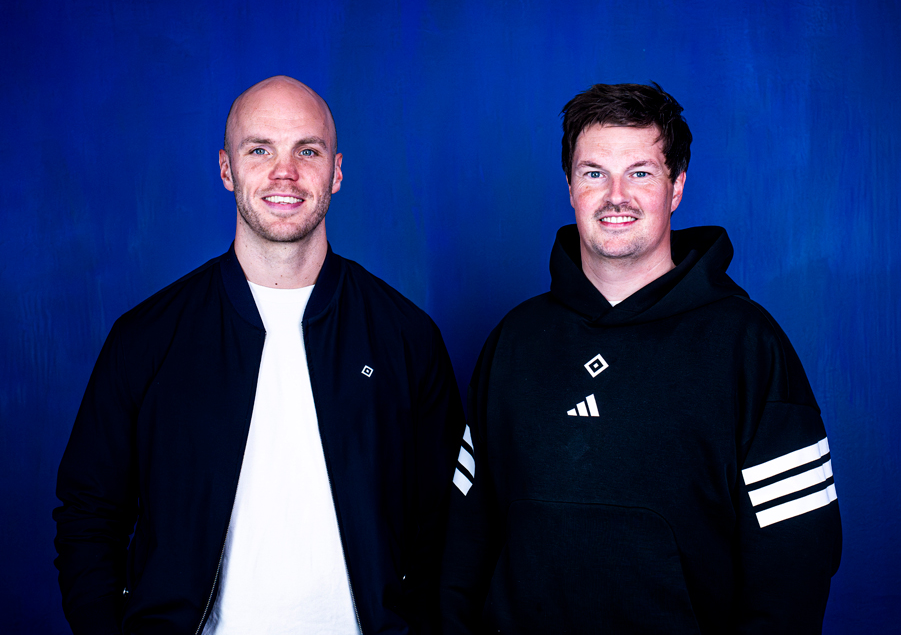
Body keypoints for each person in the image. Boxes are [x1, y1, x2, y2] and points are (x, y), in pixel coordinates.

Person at [54, 75, 463, 635]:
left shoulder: (406, 337)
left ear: (337, 171)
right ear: (227, 169)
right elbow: (88, 515)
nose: (284, 172)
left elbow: (447, 525)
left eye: (307, 151)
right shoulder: (147, 338)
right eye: (260, 150)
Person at [439, 82, 842, 634]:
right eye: (594, 173)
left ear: (676, 187)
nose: (616, 196)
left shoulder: (748, 346)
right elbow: (464, 541)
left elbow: (797, 561)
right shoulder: (513, 341)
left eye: (641, 173)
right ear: (570, 187)